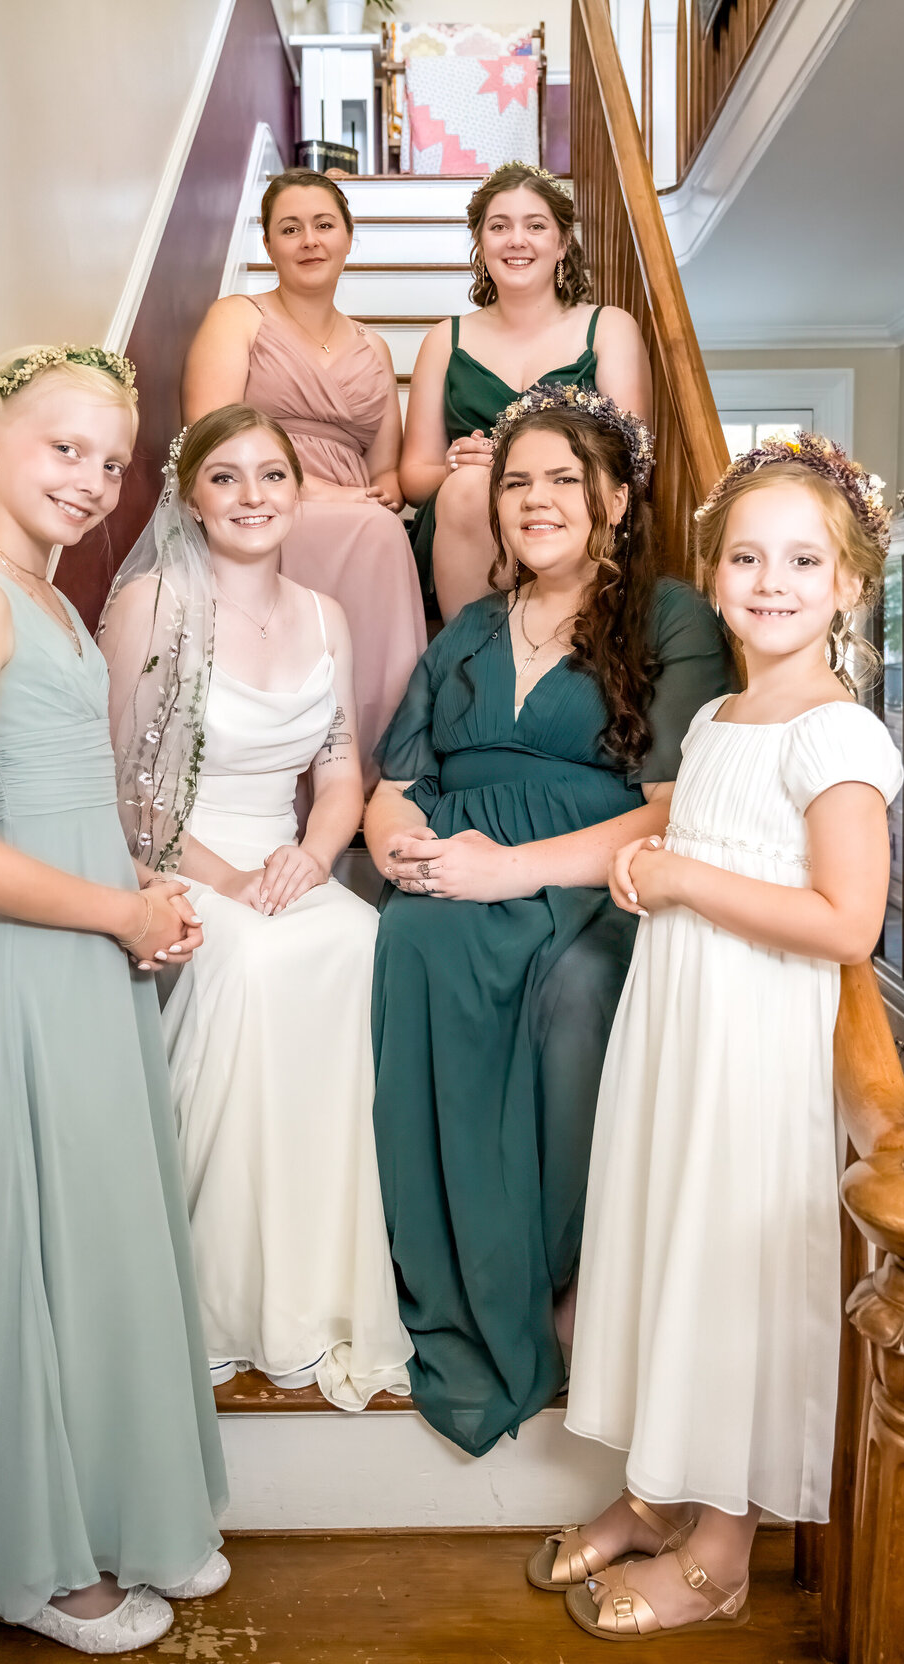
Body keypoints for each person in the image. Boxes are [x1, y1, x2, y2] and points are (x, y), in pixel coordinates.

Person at [554, 434, 902, 1639]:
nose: (772, 580)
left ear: (850, 583)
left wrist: (691, 884)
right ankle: (661, 1489)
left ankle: (725, 1545)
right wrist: (653, 870)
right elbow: (701, 850)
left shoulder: (838, 736)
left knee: (739, 1276)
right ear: (714, 577)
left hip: (758, 1047)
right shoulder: (719, 717)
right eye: (748, 557)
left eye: (804, 560)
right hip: (685, 1032)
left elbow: (846, 920)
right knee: (672, 1250)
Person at [0, 346, 228, 1655]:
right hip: (16, 969)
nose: (92, 481)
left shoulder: (48, 595)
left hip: (80, 942)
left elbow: (61, 802)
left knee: (100, 1235)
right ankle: (45, 1565)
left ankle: (116, 1510)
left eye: (113, 463)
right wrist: (117, 911)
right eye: (64, 449)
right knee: (42, 1249)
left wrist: (138, 889)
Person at [365, 387, 735, 1458]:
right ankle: (458, 1287)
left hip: (590, 875)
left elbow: (670, 805)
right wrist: (401, 842)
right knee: (407, 941)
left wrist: (510, 871)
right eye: (516, 480)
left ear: (614, 498)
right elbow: (399, 774)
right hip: (454, 868)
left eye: (564, 479)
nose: (536, 499)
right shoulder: (470, 629)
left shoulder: (673, 619)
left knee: (575, 997)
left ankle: (558, 1284)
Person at [98, 403, 412, 1410]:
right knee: (254, 959)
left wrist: (314, 859)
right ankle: (223, 1292)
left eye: (270, 475)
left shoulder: (327, 615)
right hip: (174, 860)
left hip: (285, 857)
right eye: (224, 477)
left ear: (300, 488)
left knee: (366, 942)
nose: (251, 497)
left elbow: (339, 773)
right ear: (190, 495)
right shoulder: (152, 605)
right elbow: (126, 796)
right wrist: (227, 881)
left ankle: (322, 1286)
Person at [182, 167, 426, 787]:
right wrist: (314, 490)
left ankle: (378, 755)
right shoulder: (237, 317)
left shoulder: (374, 348)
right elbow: (212, 439)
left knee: (380, 526)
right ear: (268, 244)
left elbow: (388, 473)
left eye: (324, 225)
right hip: (254, 495)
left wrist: (378, 492)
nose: (309, 240)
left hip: (354, 505)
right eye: (290, 228)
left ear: (348, 237)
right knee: (375, 531)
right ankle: (328, 760)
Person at [399, 162, 652, 622]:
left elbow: (632, 462)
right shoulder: (444, 339)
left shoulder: (608, 327)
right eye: (500, 226)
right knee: (472, 486)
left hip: (572, 514)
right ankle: (473, 658)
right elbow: (413, 479)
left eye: (535, 226)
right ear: (481, 242)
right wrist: (456, 464)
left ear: (562, 243)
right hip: (466, 518)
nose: (517, 240)